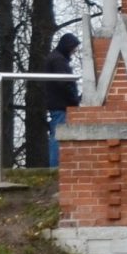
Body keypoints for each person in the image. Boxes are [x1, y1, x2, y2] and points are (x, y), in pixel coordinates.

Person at [28, 33, 79, 169]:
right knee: (58, 134)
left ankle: (56, 165)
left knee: (56, 133)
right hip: (60, 104)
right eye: (73, 48)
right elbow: (63, 83)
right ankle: (55, 166)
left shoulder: (56, 58)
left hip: (57, 103)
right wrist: (74, 99)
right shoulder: (58, 60)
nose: (74, 51)